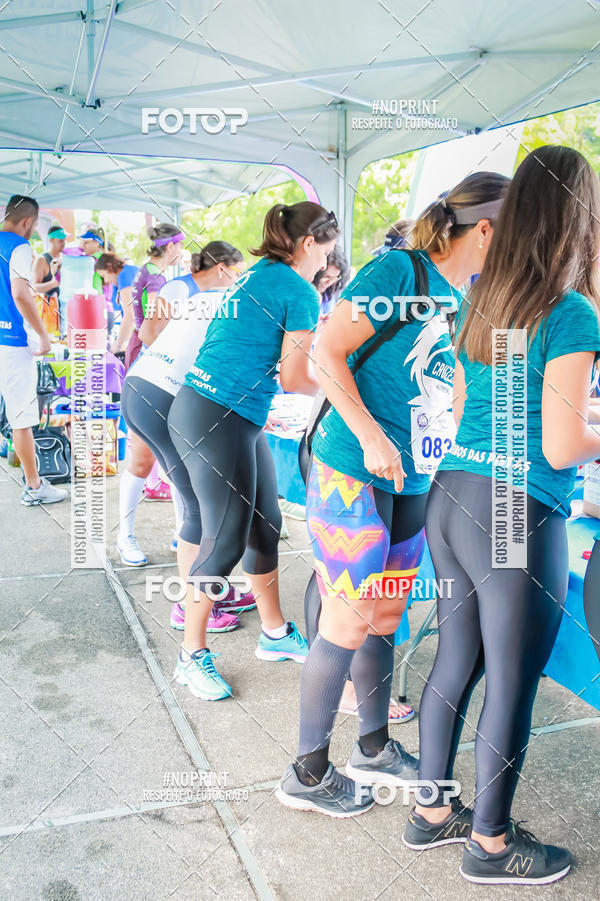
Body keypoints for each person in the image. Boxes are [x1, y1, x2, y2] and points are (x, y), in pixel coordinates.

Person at [277, 171, 510, 818]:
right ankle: (307, 770)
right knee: (347, 618)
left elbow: (454, 387)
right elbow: (325, 354)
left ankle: (373, 746)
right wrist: (372, 434)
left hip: (413, 477)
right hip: (352, 468)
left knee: (383, 614)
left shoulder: (461, 296)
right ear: (487, 229)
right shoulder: (398, 273)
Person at [403, 145, 600, 886]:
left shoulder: (488, 296)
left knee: (457, 660)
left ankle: (431, 812)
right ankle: (490, 844)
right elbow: (561, 440)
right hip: (514, 510)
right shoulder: (568, 309)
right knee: (511, 680)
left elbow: (472, 408)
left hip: (453, 494)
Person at [166, 201, 338, 701]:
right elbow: (295, 378)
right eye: (328, 249)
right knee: (224, 541)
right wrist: (343, 384)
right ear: (310, 244)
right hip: (216, 417)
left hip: (221, 414)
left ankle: (276, 634)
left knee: (266, 525)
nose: (329, 261)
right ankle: (190, 656)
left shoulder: (261, 273)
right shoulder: (298, 289)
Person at [122, 241, 257, 634]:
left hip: (141, 386)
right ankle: (191, 604)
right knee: (199, 505)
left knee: (192, 498)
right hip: (161, 397)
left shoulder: (210, 297)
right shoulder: (237, 302)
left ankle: (208, 589)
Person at [115, 223, 185, 566]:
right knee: (142, 461)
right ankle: (124, 535)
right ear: (171, 247)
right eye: (181, 245)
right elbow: (149, 331)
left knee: (175, 461)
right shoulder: (158, 280)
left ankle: (183, 533)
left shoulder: (150, 274)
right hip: (149, 374)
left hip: (157, 370)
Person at [0, 195, 67, 506]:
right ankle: (34, 485)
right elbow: (21, 294)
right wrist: (42, 336)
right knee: (21, 417)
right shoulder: (19, 246)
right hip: (12, 341)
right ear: (28, 222)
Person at [93, 253, 139, 355]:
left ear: (109, 267)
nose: (106, 281)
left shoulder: (123, 275)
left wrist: (118, 345)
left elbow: (130, 315)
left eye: (104, 276)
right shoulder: (129, 271)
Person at [32, 224, 66, 301]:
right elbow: (34, 287)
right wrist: (54, 283)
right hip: (48, 309)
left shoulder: (65, 258)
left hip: (64, 306)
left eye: (65, 240)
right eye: (60, 240)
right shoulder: (41, 260)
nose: (64, 243)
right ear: (51, 240)